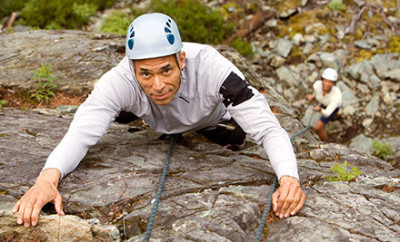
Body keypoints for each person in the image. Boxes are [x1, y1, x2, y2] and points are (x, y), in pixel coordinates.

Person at [12, 13, 305, 228]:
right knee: (112, 103)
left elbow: (267, 129)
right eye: (146, 74)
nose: (158, 84)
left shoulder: (213, 67)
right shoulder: (119, 80)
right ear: (131, 67)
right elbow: (80, 132)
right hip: (150, 117)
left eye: (166, 70)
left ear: (182, 58)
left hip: (210, 114)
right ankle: (132, 112)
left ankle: (215, 128)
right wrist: (46, 179)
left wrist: (288, 178)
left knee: (241, 124)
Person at [307, 68, 342, 142]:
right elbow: (315, 94)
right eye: (325, 80)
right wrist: (312, 97)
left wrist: (320, 109)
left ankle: (325, 142)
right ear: (322, 80)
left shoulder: (336, 95)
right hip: (324, 103)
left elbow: (326, 113)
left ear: (333, 84)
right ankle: (336, 116)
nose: (326, 84)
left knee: (318, 128)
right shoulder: (317, 85)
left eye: (330, 82)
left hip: (333, 106)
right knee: (332, 114)